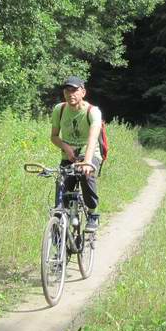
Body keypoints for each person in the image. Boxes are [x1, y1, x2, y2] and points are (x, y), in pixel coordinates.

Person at [50, 76, 103, 232]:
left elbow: (93, 138)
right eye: (67, 90)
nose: (70, 94)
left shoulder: (93, 112)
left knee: (85, 174)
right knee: (61, 195)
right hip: (69, 156)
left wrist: (87, 161)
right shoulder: (59, 110)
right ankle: (58, 232)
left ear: (83, 92)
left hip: (90, 153)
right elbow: (53, 136)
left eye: (74, 90)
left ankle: (93, 214)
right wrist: (65, 146)